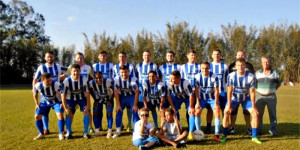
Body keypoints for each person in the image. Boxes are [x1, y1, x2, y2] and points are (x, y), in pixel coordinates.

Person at [220, 58, 262, 144]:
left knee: (255, 113)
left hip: (246, 98)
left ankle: (254, 137)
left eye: (242, 65)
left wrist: (253, 106)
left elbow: (252, 92)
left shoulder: (251, 76)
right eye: (238, 65)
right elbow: (230, 91)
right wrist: (228, 105)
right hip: (234, 98)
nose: (240, 67)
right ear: (235, 66)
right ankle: (224, 135)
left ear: (245, 66)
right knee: (226, 112)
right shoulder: (231, 76)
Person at [32, 51, 67, 135]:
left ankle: (61, 130)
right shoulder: (41, 67)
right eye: (48, 57)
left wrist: (61, 77)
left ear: (53, 57)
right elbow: (35, 79)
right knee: (44, 113)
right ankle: (46, 129)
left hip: (57, 95)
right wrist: (33, 89)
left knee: (60, 113)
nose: (49, 58)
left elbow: (68, 71)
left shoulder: (58, 66)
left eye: (51, 57)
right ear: (45, 58)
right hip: (45, 95)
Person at [228, 50, 254, 135]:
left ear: (245, 56)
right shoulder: (232, 65)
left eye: (242, 55)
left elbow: (252, 79)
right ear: (236, 56)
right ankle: (232, 127)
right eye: (238, 55)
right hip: (234, 94)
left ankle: (248, 127)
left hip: (246, 93)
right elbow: (228, 78)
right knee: (233, 111)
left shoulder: (249, 65)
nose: (240, 56)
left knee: (247, 112)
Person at [61, 64, 91, 139]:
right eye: (74, 71)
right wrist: (65, 107)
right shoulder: (66, 81)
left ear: (80, 71)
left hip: (81, 99)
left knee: (87, 112)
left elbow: (87, 93)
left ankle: (85, 133)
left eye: (77, 71)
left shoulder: (83, 79)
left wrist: (88, 105)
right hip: (70, 99)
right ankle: (69, 133)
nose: (76, 73)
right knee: (68, 113)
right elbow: (63, 95)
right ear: (71, 72)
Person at [67, 52, 94, 133]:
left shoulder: (88, 67)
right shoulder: (70, 67)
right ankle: (69, 129)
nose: (80, 60)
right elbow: (66, 77)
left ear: (83, 58)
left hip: (84, 94)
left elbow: (93, 76)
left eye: (81, 58)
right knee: (70, 112)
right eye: (78, 58)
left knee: (87, 110)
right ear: (75, 59)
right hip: (72, 94)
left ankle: (90, 127)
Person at [33, 73, 65, 140]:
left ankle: (61, 133)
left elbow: (63, 93)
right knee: (37, 116)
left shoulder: (56, 84)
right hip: (44, 103)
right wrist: (36, 103)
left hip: (56, 102)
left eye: (50, 80)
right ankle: (41, 134)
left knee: (60, 115)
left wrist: (62, 102)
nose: (49, 82)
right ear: (42, 81)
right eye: (47, 81)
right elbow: (34, 93)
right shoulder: (38, 85)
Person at [194, 62, 221, 141]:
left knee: (217, 111)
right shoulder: (197, 76)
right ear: (200, 68)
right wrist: (198, 102)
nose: (204, 70)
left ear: (209, 68)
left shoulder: (214, 76)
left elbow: (216, 90)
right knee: (197, 112)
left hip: (212, 99)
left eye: (206, 68)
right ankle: (198, 133)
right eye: (203, 68)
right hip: (202, 98)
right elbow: (196, 90)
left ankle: (216, 134)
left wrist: (216, 103)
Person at [255, 56, 281, 136]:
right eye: (263, 62)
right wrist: (259, 90)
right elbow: (254, 84)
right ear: (261, 63)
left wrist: (272, 90)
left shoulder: (275, 72)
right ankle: (259, 130)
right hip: (260, 96)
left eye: (267, 62)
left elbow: (278, 83)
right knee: (259, 114)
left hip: (271, 97)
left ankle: (273, 131)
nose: (265, 64)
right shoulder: (257, 73)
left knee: (273, 114)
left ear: (270, 63)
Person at [167, 70, 195, 141]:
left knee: (191, 112)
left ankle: (191, 132)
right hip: (177, 98)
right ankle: (178, 129)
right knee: (174, 112)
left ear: (179, 78)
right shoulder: (169, 84)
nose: (171, 80)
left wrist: (191, 107)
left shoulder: (185, 83)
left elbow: (191, 95)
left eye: (173, 79)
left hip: (187, 98)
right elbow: (169, 96)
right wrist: (172, 106)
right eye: (170, 79)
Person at [205, 49, 228, 134]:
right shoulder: (209, 65)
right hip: (211, 93)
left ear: (220, 55)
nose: (216, 56)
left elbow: (226, 79)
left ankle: (224, 127)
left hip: (222, 91)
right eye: (214, 54)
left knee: (223, 110)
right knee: (210, 110)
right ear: (212, 55)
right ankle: (208, 127)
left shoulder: (225, 66)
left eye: (218, 54)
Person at [113, 65, 139, 138]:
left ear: (128, 72)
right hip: (122, 97)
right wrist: (118, 105)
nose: (124, 74)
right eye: (122, 72)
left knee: (135, 110)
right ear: (119, 72)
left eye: (125, 72)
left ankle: (136, 130)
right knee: (119, 110)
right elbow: (116, 92)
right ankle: (118, 130)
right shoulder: (116, 79)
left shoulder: (133, 79)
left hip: (131, 96)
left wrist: (135, 105)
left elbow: (137, 92)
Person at [113, 51, 135, 132]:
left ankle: (130, 124)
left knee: (131, 108)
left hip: (130, 91)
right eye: (120, 56)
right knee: (119, 108)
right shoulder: (115, 67)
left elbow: (133, 78)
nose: (121, 58)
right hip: (120, 92)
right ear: (118, 58)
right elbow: (114, 79)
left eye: (123, 56)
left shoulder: (131, 66)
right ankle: (120, 126)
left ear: (126, 57)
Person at [92, 51, 114, 131]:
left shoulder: (111, 65)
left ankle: (109, 128)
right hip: (98, 92)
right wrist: (95, 97)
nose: (103, 57)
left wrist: (111, 98)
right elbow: (93, 79)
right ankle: (99, 126)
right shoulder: (94, 66)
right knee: (98, 110)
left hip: (108, 91)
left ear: (106, 57)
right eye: (101, 56)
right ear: (98, 57)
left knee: (109, 111)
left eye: (104, 56)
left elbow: (113, 76)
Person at [89, 71, 114, 138]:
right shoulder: (92, 83)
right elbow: (90, 90)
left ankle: (109, 131)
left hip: (108, 98)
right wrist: (95, 99)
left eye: (100, 77)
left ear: (102, 76)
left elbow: (114, 89)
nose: (99, 79)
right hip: (99, 99)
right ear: (94, 77)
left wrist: (110, 100)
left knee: (109, 113)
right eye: (97, 78)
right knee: (95, 112)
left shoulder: (108, 81)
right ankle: (97, 131)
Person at [158, 50, 181, 124]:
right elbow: (159, 79)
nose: (169, 57)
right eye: (168, 56)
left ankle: (178, 124)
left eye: (171, 56)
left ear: (173, 57)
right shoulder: (161, 67)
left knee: (175, 108)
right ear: (166, 57)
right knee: (164, 109)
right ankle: (165, 125)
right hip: (165, 91)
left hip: (174, 91)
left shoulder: (178, 66)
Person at [135, 50, 159, 116]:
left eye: (148, 55)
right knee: (140, 108)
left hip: (151, 90)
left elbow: (157, 77)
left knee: (153, 108)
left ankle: (156, 125)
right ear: (142, 56)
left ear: (150, 56)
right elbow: (136, 77)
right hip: (141, 90)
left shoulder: (154, 66)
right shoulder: (138, 66)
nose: (146, 57)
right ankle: (140, 123)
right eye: (145, 55)